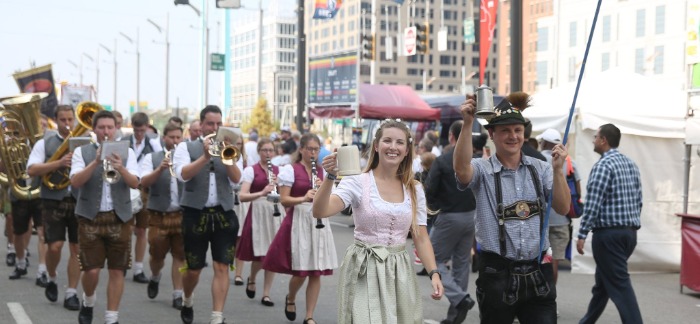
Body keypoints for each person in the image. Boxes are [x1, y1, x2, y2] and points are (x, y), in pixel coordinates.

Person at [453, 92, 571, 324]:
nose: (512, 136)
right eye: (505, 130)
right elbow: (461, 169)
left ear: (524, 134)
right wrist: (467, 123)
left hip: (538, 270)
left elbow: (563, 207)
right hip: (497, 273)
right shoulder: (482, 169)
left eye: (517, 130)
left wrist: (558, 171)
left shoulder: (542, 168)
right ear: (492, 134)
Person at [313, 119, 444, 323]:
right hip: (363, 268)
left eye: (400, 142)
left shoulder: (414, 188)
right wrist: (330, 176)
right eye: (387, 141)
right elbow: (321, 211)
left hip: (399, 270)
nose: (393, 147)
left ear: (407, 149)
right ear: (376, 145)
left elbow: (421, 237)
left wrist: (434, 273)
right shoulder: (357, 181)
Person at [70, 110, 140, 324]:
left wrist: (121, 167)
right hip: (90, 217)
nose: (106, 131)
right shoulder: (81, 152)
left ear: (116, 129)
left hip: (120, 217)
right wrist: (96, 162)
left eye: (110, 127)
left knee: (117, 269)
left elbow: (136, 182)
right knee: (91, 271)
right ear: (94, 130)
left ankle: (111, 317)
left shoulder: (128, 151)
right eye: (102, 127)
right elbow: (75, 182)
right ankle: (89, 301)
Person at [172, 105, 241, 324]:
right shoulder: (186, 147)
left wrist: (227, 157)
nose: (215, 127)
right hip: (195, 214)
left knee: (222, 265)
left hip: (224, 213)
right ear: (201, 125)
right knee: (193, 269)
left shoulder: (228, 147)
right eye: (210, 124)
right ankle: (187, 297)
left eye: (218, 124)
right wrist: (204, 156)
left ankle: (217, 316)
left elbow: (236, 180)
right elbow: (182, 175)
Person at [264, 133, 338, 324]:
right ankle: (291, 297)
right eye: (310, 149)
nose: (313, 153)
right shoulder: (291, 170)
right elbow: (284, 200)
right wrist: (304, 197)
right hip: (299, 219)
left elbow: (331, 201)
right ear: (302, 149)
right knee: (300, 271)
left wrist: (324, 190)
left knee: (317, 271)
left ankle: (309, 316)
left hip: (319, 220)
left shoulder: (323, 172)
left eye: (316, 149)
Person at [576, 124, 643, 324]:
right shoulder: (631, 164)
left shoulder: (603, 166)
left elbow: (593, 203)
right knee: (603, 284)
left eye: (595, 137)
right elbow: (639, 200)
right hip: (629, 234)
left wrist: (582, 234)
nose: (593, 140)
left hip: (608, 235)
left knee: (620, 285)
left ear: (604, 140)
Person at [26, 105, 81, 310]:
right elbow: (32, 169)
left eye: (70, 120)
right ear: (55, 121)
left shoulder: (85, 143)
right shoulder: (44, 143)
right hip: (52, 200)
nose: (67, 124)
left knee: (77, 248)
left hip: (78, 200)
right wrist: (58, 163)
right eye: (63, 120)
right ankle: (51, 276)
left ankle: (72, 293)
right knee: (54, 246)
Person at [425, 120, 478, 324]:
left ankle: (460, 299)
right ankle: (456, 312)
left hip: (448, 215)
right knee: (462, 263)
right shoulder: (475, 159)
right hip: (470, 214)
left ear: (451, 136)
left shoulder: (444, 160)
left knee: (433, 259)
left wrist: (434, 209)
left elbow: (430, 189)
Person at [139, 124, 186, 310]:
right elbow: (143, 182)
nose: (175, 141)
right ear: (164, 138)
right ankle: (155, 276)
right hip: (158, 214)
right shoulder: (152, 157)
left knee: (180, 255)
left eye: (178, 138)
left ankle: (178, 294)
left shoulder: (187, 157)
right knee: (157, 255)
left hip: (181, 213)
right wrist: (159, 169)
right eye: (172, 138)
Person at [236, 138, 281, 307]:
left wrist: (279, 188)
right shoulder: (251, 170)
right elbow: (243, 195)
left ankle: (266, 293)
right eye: (264, 150)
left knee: (272, 254)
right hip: (257, 212)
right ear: (259, 151)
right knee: (260, 254)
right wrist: (262, 192)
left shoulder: (279, 170)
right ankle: (252, 278)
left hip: (275, 212)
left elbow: (285, 195)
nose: (268, 154)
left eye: (271, 150)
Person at [537, 128, 581, 302]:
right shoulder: (569, 161)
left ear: (544, 142)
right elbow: (577, 191)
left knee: (541, 262)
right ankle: (550, 299)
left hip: (543, 219)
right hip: (562, 220)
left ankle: (539, 298)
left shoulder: (538, 160)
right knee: (554, 261)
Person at [124, 112, 163, 284]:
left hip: (144, 188)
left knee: (141, 230)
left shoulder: (154, 144)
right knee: (125, 228)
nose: (139, 133)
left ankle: (138, 268)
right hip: (127, 186)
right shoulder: (123, 142)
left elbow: (160, 160)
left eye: (142, 130)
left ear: (147, 127)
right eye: (136, 130)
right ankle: (124, 261)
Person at [232, 134, 250, 287]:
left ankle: (238, 274)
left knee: (240, 237)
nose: (237, 146)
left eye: (240, 143)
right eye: (235, 143)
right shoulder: (227, 157)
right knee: (230, 236)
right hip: (229, 199)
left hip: (241, 200)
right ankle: (227, 264)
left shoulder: (245, 161)